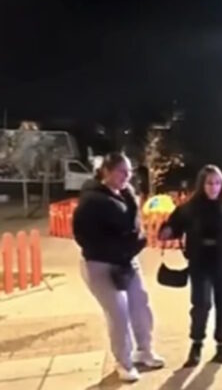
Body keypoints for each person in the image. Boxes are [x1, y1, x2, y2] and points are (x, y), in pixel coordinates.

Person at [72, 152, 164, 383]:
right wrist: (122, 246)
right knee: (118, 312)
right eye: (122, 171)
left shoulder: (126, 193)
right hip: (100, 263)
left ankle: (144, 350)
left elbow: (133, 224)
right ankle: (123, 362)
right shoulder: (91, 201)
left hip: (127, 261)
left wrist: (137, 239)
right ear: (106, 171)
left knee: (140, 304)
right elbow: (84, 236)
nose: (127, 176)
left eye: (129, 171)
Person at [158, 165, 222, 367]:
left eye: (217, 183)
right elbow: (174, 225)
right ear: (201, 184)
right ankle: (197, 343)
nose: (213, 187)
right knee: (201, 304)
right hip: (200, 264)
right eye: (209, 183)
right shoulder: (190, 208)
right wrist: (167, 230)